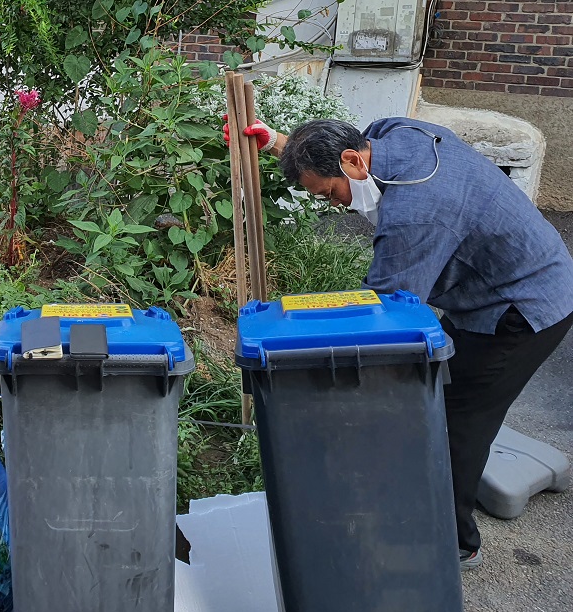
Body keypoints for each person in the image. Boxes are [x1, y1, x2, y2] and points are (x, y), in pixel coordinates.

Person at [230, 115, 573, 570]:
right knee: (434, 400)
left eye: (328, 193)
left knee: (455, 419)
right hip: (498, 284)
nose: (332, 205)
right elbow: (337, 156)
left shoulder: (416, 216)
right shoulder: (395, 134)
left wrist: (308, 355)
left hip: (524, 307)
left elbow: (386, 317)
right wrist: (278, 142)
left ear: (353, 162)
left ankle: (453, 543)